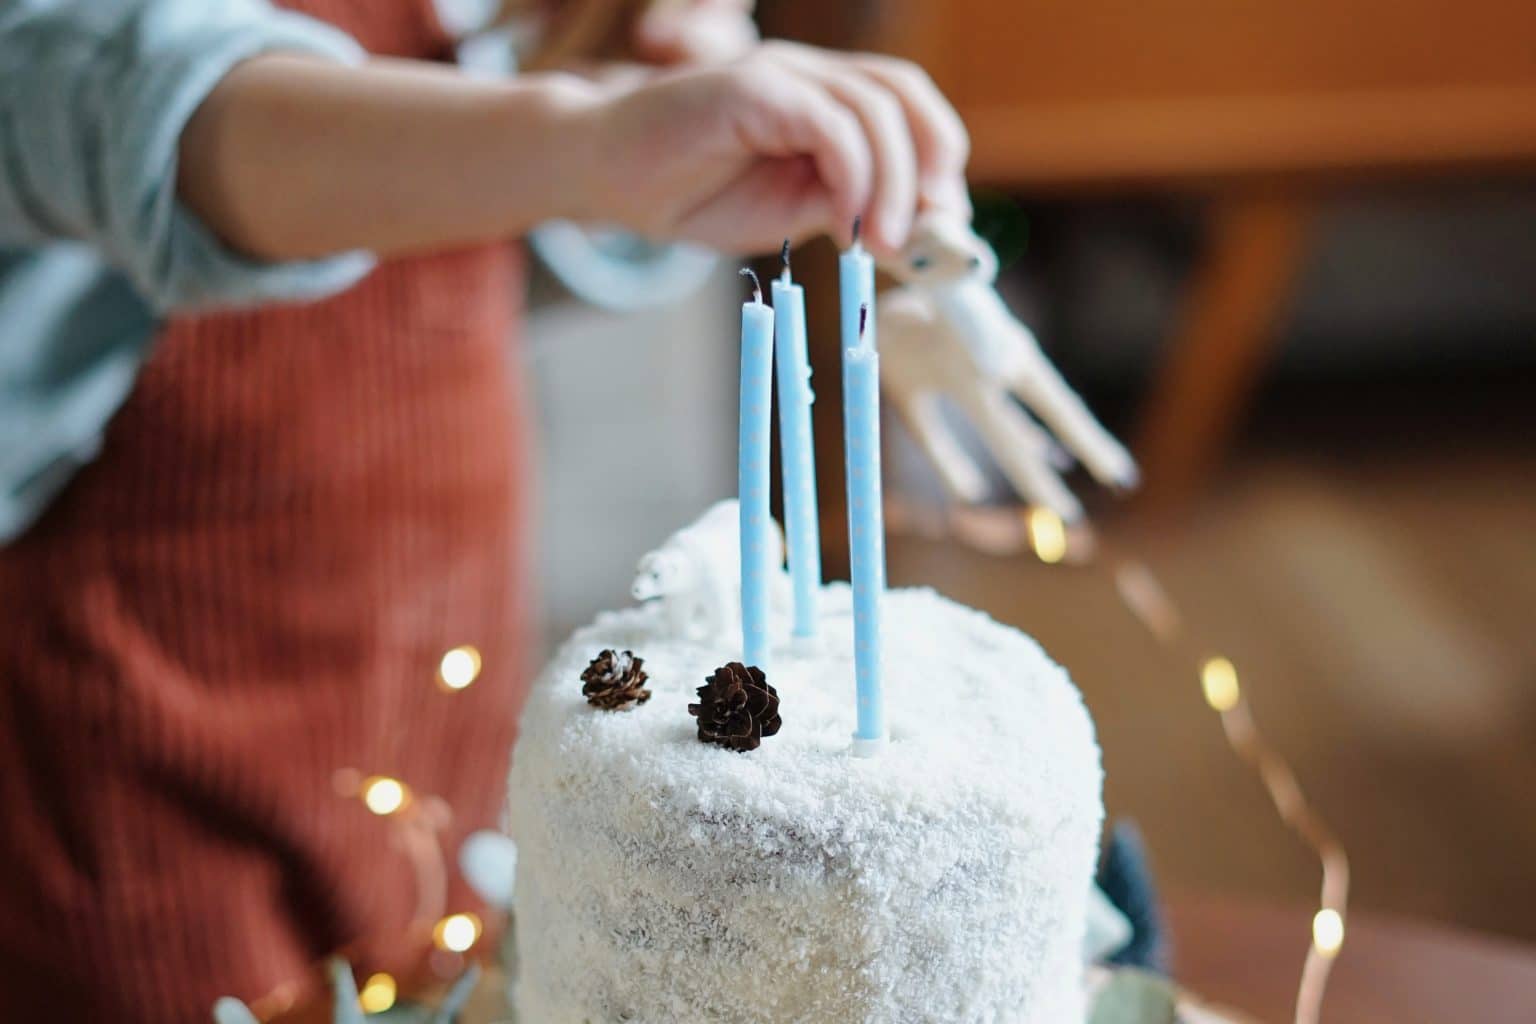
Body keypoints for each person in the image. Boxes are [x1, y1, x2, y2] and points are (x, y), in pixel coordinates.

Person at [0, 1, 970, 1020]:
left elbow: (471, 220)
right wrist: (584, 144)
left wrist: (647, 103)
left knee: (435, 932)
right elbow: (103, 102)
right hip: (135, 695)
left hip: (439, 633)